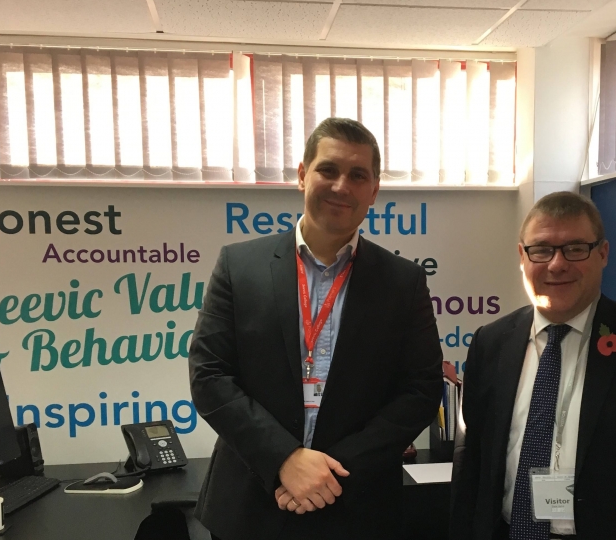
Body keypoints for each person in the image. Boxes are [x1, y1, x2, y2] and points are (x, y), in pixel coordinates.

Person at [189, 117, 443, 540]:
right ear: (303, 174)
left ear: (374, 190)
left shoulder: (403, 282)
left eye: (358, 175)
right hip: (251, 506)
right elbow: (210, 375)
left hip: (356, 505)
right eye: (328, 169)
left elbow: (419, 389)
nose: (342, 186)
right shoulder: (239, 266)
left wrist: (331, 472)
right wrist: (285, 459)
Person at [450, 192, 616, 540]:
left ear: (603, 253)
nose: (557, 264)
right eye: (541, 249)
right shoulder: (491, 343)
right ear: (522, 256)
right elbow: (471, 463)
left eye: (576, 248)